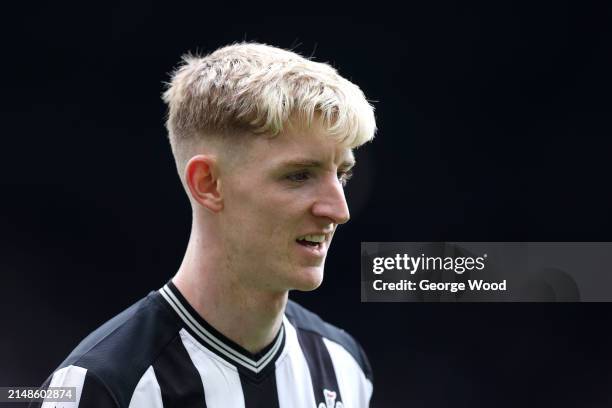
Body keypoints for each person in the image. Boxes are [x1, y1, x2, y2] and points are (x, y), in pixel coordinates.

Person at [37, 42, 376, 408]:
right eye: (299, 175)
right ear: (208, 184)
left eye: (342, 174)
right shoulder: (98, 387)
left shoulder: (344, 367)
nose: (339, 210)